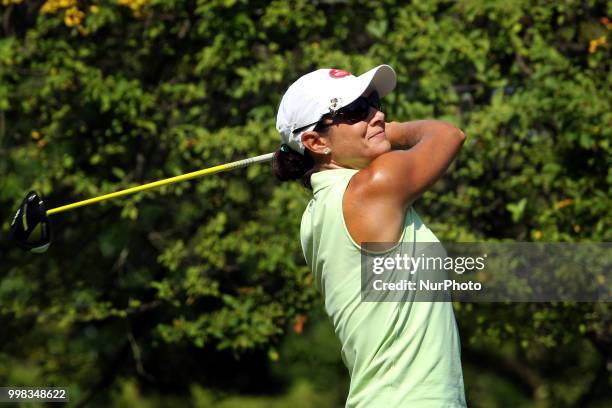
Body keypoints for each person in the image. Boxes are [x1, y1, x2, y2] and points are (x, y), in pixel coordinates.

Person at [274, 65, 467, 407]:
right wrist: (392, 131)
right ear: (316, 142)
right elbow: (449, 134)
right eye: (355, 111)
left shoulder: (315, 215)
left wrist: (372, 130)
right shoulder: (374, 186)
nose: (376, 115)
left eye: (374, 103)